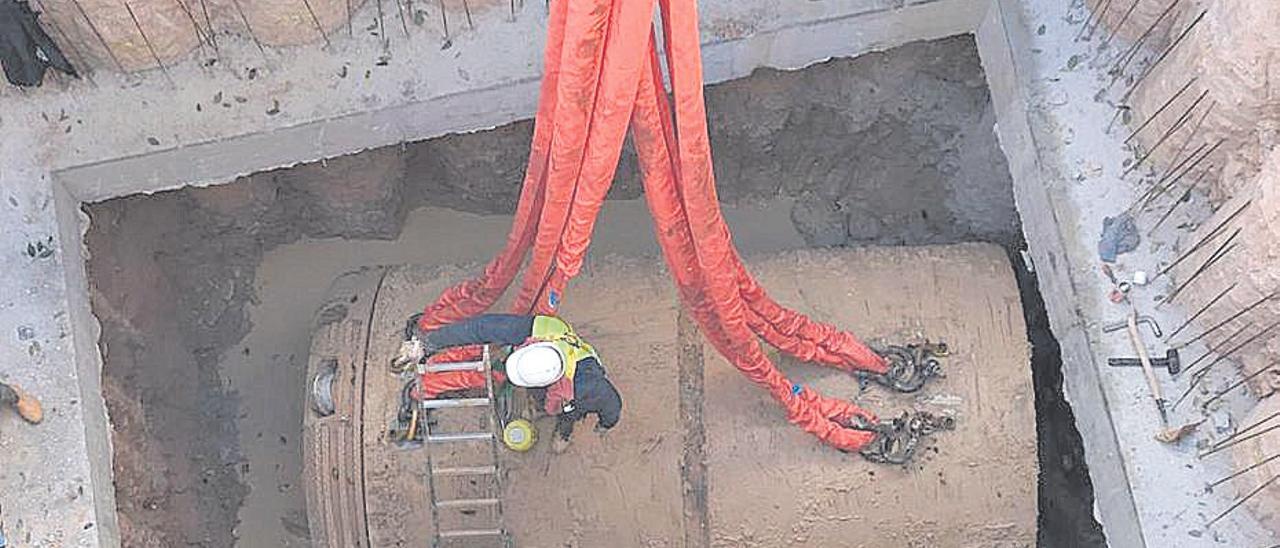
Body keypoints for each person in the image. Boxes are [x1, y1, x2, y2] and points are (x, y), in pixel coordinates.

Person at [397, 314, 621, 453]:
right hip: (551, 374)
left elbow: (612, 406)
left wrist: (605, 424)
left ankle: (563, 433)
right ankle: (539, 404)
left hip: (572, 392)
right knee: (493, 367)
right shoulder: (542, 329)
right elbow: (481, 327)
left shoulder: (591, 387)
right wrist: (427, 344)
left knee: (568, 413)